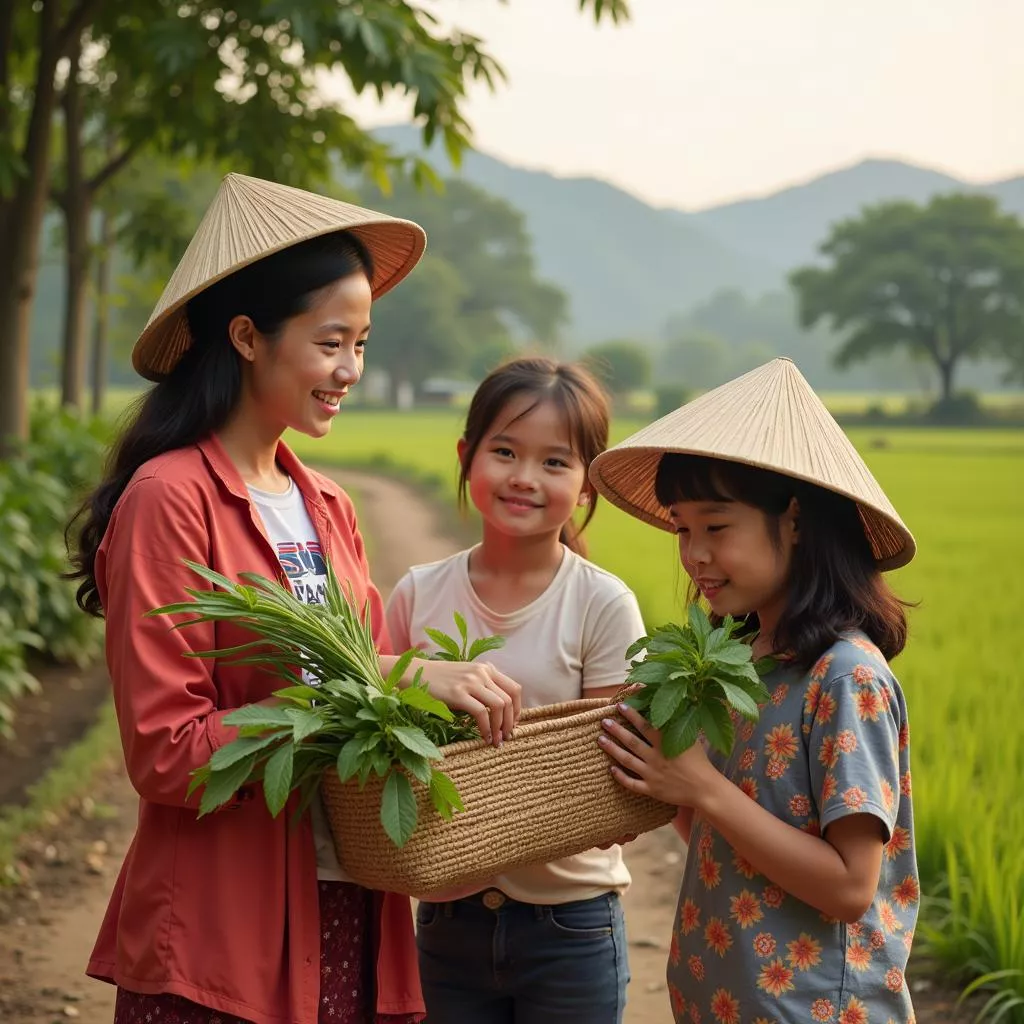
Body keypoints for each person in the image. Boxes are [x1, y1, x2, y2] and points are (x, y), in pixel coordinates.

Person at [66, 173, 522, 1024]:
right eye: (330, 342)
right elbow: (167, 751)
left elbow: (365, 690)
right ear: (246, 336)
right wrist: (394, 682)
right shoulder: (171, 500)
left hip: (346, 901)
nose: (350, 370)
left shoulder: (329, 506)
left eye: (362, 343)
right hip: (221, 929)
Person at [590, 357, 919, 1024]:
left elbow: (852, 888)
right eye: (683, 528)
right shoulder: (737, 664)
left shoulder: (845, 676)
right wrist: (657, 771)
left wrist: (702, 788)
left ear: (794, 520)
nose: (694, 554)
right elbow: (716, 832)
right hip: (724, 998)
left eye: (716, 527)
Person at [385, 356, 646, 1023]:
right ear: (467, 456)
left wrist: (485, 809)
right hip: (446, 922)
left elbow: (614, 791)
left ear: (587, 484)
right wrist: (415, 676)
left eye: (555, 463)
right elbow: (371, 723)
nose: (525, 478)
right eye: (504, 452)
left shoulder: (601, 605)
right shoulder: (418, 593)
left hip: (572, 930)